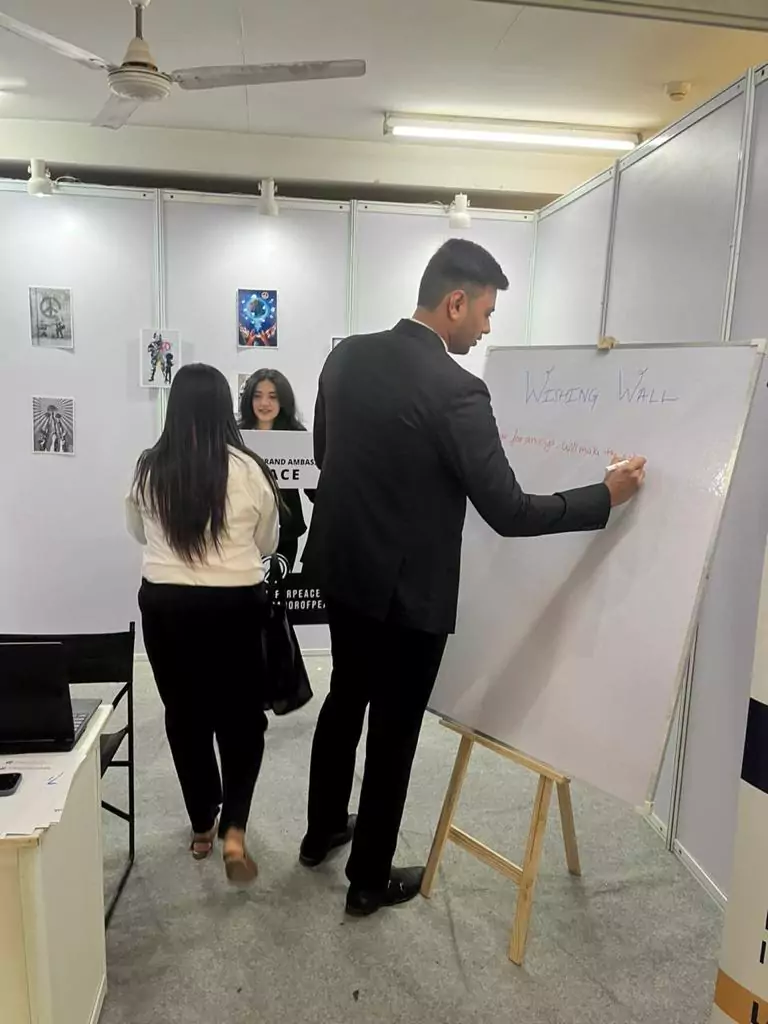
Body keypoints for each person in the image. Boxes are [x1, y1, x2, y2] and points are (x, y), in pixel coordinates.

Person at [299, 238, 646, 916]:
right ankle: (367, 879)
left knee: (345, 697)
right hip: (407, 592)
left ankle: (321, 833)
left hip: (342, 566)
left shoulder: (345, 356)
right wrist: (604, 495)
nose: (487, 327)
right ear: (455, 302)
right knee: (394, 728)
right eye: (486, 313)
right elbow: (509, 511)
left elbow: (325, 454)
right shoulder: (457, 390)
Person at [125, 363, 280, 885]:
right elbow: (268, 544)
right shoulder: (248, 468)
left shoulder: (149, 468)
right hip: (235, 607)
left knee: (184, 716)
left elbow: (138, 533)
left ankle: (200, 824)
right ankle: (235, 828)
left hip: (166, 608)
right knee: (242, 719)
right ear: (224, 407)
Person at [238, 369, 315, 571]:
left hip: (285, 531)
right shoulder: (236, 436)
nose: (264, 403)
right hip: (242, 530)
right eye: (258, 396)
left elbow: (314, 490)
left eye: (273, 397)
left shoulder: (297, 436)